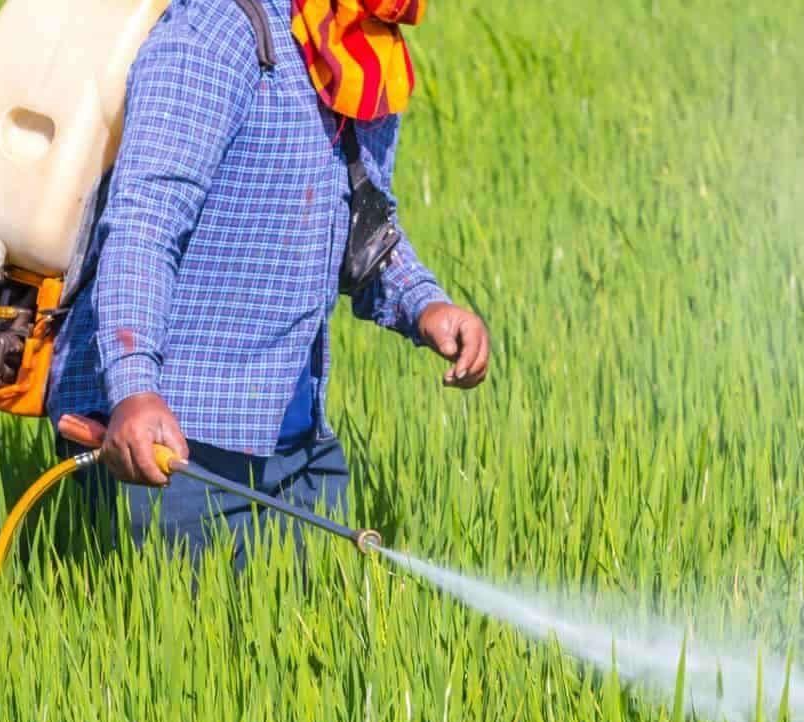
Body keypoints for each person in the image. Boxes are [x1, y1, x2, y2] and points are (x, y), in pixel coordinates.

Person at [46, 0, 489, 566]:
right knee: (180, 646)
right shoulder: (217, 32)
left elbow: (361, 219)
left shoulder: (364, 50)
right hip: (174, 440)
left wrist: (427, 306)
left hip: (295, 436)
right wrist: (133, 389)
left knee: (305, 634)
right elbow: (142, 226)